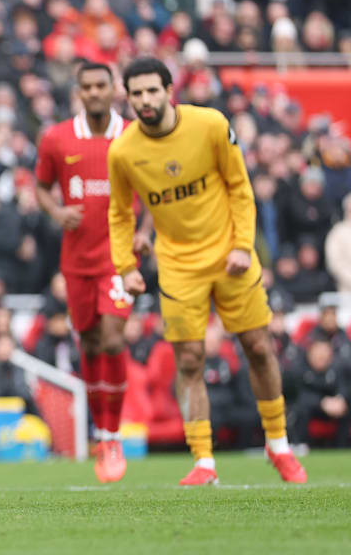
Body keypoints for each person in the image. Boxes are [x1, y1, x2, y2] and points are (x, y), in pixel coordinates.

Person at [107, 57, 307, 485]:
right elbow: (120, 214)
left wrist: (242, 245)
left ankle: (279, 446)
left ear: (168, 90)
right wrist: (126, 266)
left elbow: (239, 185)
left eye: (151, 90)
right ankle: (203, 461)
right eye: (136, 93)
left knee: (257, 345)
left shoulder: (211, 124)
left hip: (229, 255)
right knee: (190, 358)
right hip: (178, 265)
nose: (144, 100)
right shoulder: (123, 150)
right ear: (128, 98)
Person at [34, 61, 141, 483]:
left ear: (114, 89)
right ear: (79, 91)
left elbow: (150, 192)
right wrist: (58, 211)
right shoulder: (57, 137)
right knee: (92, 345)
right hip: (76, 262)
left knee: (113, 339)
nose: (95, 92)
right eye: (88, 87)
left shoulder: (133, 135)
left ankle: (112, 436)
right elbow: (41, 186)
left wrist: (145, 234)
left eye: (102, 85)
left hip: (118, 259)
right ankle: (102, 433)